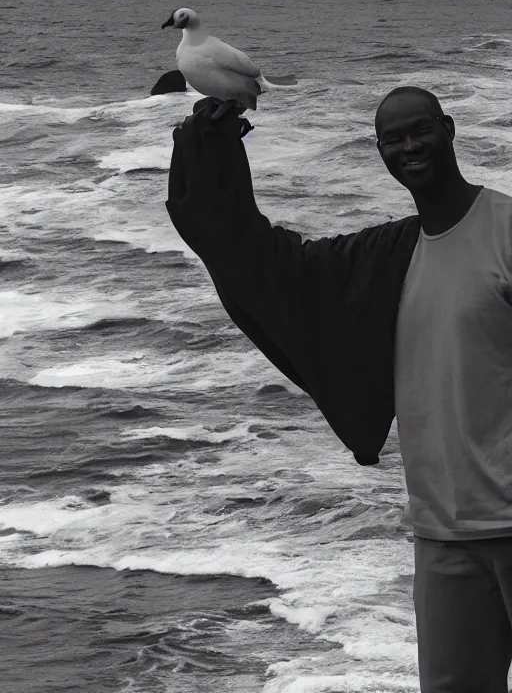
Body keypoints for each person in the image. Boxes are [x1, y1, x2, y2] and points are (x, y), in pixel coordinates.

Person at [165, 86, 512, 692]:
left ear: (450, 129)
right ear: (378, 149)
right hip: (443, 535)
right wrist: (213, 153)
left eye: (420, 130)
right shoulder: (390, 258)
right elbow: (277, 270)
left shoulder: (506, 232)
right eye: (392, 138)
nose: (409, 146)